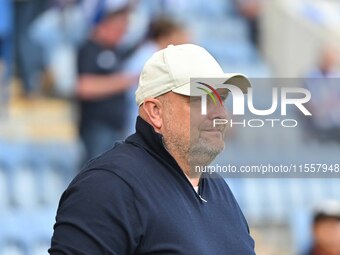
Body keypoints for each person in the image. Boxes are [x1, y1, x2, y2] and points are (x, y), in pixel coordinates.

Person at [49, 44, 255, 254]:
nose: (220, 114)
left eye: (222, 99)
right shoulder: (108, 187)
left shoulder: (218, 188)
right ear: (155, 111)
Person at [76, 0, 137, 161]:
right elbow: (84, 87)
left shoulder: (118, 51)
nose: (122, 34)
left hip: (116, 126)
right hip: (96, 126)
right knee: (94, 174)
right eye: (119, 30)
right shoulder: (89, 49)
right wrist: (122, 82)